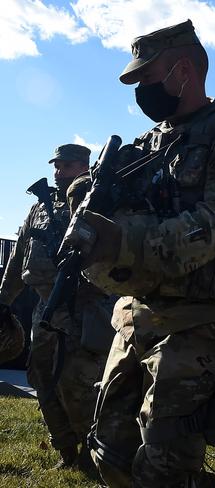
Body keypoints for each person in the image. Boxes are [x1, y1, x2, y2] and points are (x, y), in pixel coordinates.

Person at [63, 20, 215, 487]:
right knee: (109, 451)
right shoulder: (146, 146)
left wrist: (124, 241)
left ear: (183, 71)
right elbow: (109, 202)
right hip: (137, 312)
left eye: (147, 77)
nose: (141, 90)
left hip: (199, 319)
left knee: (163, 462)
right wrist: (85, 194)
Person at [0, 144, 111, 473]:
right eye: (56, 165)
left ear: (83, 165)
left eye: (65, 165)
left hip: (84, 308)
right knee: (42, 378)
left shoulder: (98, 199)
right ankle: (66, 449)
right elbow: (20, 253)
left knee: (78, 382)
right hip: (43, 307)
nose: (58, 171)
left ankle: (95, 454)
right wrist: (4, 299)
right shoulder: (40, 207)